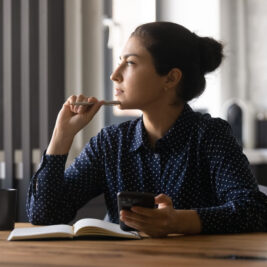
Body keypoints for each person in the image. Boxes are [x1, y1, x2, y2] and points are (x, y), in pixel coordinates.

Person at [26, 22, 267, 237]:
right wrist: (62, 135)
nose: (114, 75)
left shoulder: (210, 136)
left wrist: (177, 221)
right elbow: (44, 215)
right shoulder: (111, 142)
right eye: (119, 61)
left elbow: (254, 210)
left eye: (130, 63)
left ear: (170, 79)